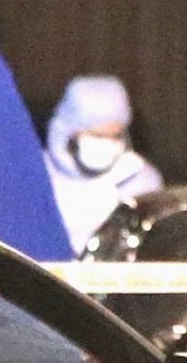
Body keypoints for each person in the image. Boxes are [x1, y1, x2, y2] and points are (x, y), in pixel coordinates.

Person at [44, 75, 162, 253]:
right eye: (97, 135)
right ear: (67, 133)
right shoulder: (35, 175)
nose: (107, 144)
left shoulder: (141, 179)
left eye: (115, 136)